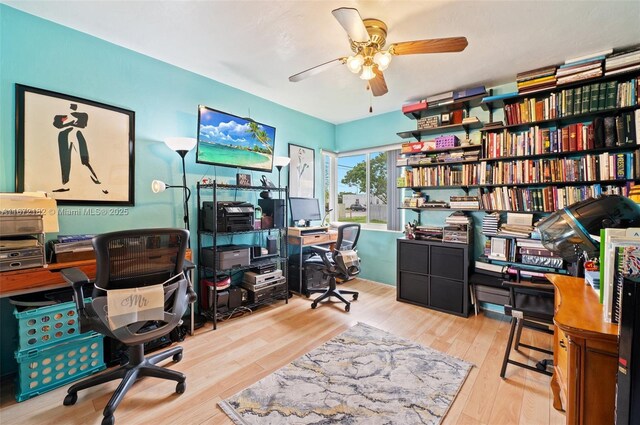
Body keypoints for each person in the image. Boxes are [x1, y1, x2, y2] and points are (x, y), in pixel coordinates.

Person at [52, 103, 107, 194]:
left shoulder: (80, 115)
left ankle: (96, 180)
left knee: (82, 161)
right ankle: (66, 183)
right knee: (66, 161)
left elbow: (82, 125)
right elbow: (57, 124)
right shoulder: (65, 116)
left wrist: (69, 122)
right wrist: (68, 122)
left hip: (74, 135)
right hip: (66, 136)